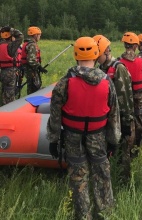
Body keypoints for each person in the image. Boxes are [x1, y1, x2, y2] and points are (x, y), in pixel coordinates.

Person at [47, 37, 121, 220]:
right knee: (102, 175)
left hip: (73, 137)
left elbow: (55, 115)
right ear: (96, 54)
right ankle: (105, 214)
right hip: (98, 137)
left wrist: (54, 139)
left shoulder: (64, 83)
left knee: (78, 178)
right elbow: (114, 115)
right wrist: (113, 141)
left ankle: (83, 215)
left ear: (76, 55)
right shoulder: (107, 82)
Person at [93, 34, 134, 182]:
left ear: (105, 52)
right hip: (106, 118)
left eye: (97, 55)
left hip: (120, 118)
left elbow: (125, 96)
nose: (95, 59)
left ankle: (124, 182)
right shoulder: (100, 69)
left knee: (123, 153)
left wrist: (127, 121)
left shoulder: (118, 68)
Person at [119, 32, 142, 151]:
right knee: (138, 121)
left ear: (125, 45)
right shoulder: (141, 61)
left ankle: (124, 146)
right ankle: (136, 147)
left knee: (124, 122)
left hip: (123, 99)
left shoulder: (119, 63)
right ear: (135, 46)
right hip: (139, 97)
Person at [0, 26, 24, 105]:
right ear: (10, 37)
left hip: (2, 72)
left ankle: (2, 108)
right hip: (11, 72)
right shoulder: (11, 46)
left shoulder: (1, 45)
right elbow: (20, 36)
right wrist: (11, 29)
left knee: (4, 92)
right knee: (10, 94)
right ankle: (9, 111)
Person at [21, 26, 47, 94]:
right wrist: (39, 67)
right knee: (34, 88)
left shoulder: (26, 43)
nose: (40, 37)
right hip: (31, 70)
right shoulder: (32, 45)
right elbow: (31, 60)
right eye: (39, 35)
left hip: (28, 69)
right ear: (35, 35)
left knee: (31, 87)